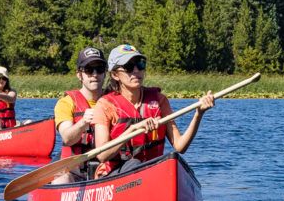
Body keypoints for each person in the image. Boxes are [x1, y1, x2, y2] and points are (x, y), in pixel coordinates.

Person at [92, 44, 214, 179]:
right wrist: (133, 130)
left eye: (140, 65)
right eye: (129, 67)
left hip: (151, 172)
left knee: (174, 163)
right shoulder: (105, 105)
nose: (136, 71)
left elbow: (180, 146)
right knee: (134, 163)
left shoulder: (159, 100)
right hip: (115, 174)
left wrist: (199, 114)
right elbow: (102, 155)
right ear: (115, 75)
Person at [51, 46, 107, 184]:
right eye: (89, 69)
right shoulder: (66, 103)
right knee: (61, 181)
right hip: (74, 171)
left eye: (99, 69)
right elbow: (67, 138)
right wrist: (83, 122)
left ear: (105, 73)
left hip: (106, 171)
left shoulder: (114, 101)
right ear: (79, 75)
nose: (94, 74)